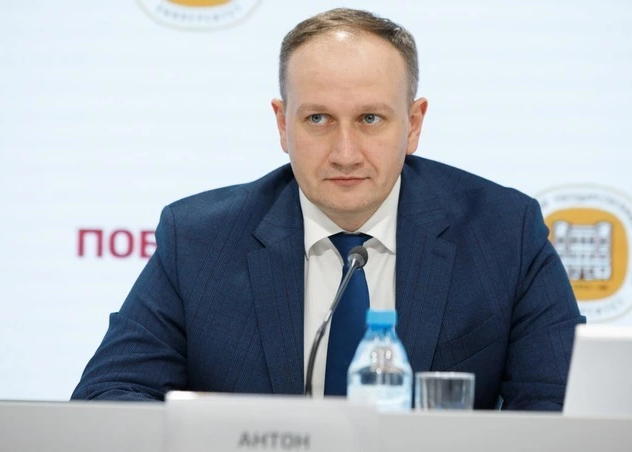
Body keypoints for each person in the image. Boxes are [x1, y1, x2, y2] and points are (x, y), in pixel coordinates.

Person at [71, 8, 585, 410]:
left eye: (370, 119)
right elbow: (108, 397)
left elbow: (561, 409)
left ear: (413, 124)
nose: (344, 153)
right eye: (318, 118)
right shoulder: (199, 240)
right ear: (282, 124)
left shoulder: (504, 234)